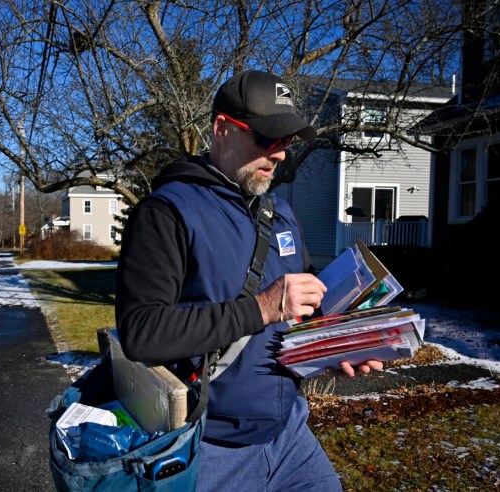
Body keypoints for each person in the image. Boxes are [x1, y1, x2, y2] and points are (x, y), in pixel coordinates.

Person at [115, 69, 382, 491]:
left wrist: (343, 344)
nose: (280, 154)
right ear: (222, 129)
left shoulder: (281, 214)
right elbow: (141, 332)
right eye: (267, 138)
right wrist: (261, 307)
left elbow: (303, 308)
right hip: (213, 447)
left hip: (291, 434)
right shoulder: (166, 213)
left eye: (288, 142)